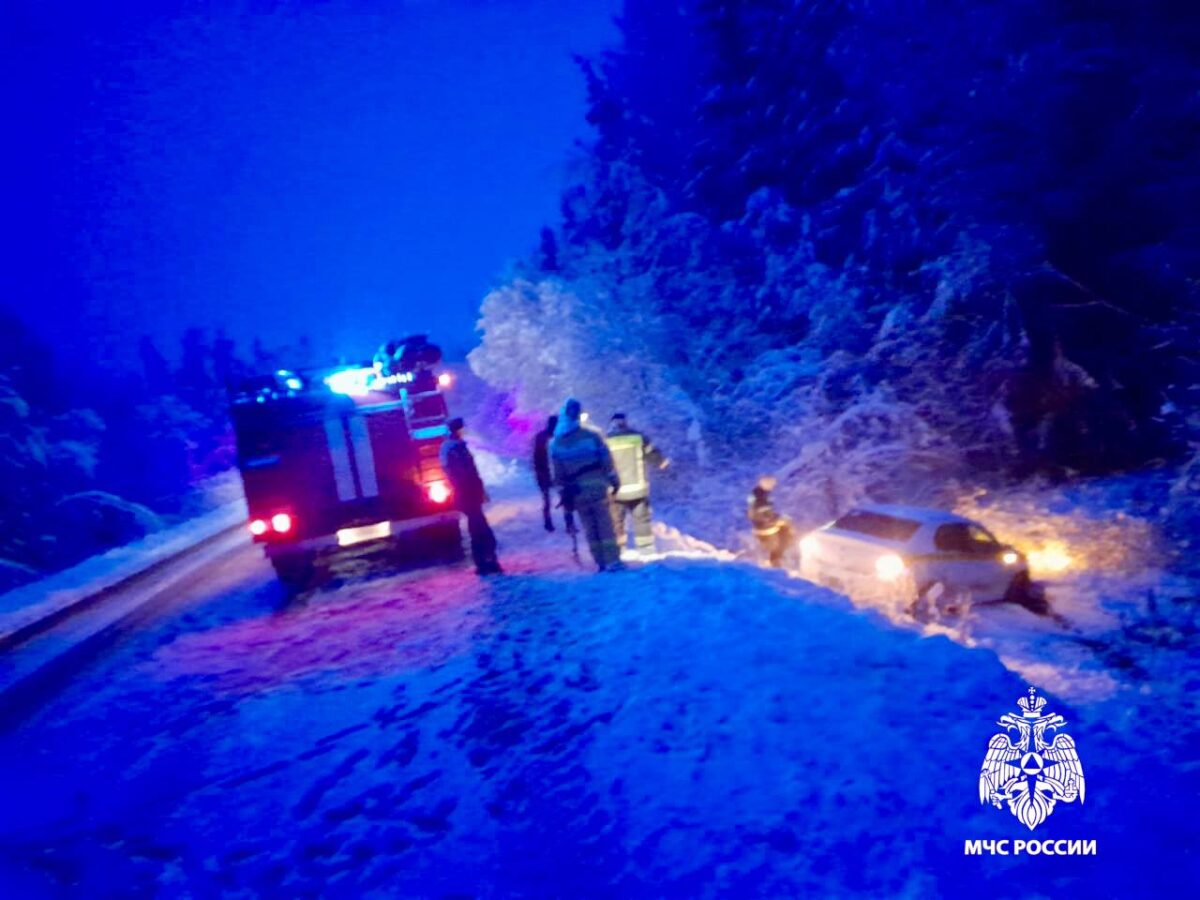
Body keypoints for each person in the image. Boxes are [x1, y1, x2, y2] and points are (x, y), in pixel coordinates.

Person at [550, 399, 624, 572]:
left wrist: (563, 493)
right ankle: (613, 560)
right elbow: (606, 461)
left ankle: (600, 561)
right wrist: (614, 481)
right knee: (604, 524)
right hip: (597, 487)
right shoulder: (592, 436)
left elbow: (558, 475)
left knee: (589, 526)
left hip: (576, 492)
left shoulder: (556, 443)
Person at [439, 417, 503, 576]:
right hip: (468, 495)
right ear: (457, 429)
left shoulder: (451, 448)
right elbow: (466, 474)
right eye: (461, 428)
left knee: (479, 529)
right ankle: (486, 563)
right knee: (481, 531)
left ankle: (485, 562)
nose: (464, 430)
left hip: (467, 495)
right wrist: (475, 490)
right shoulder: (455, 449)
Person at [606, 412, 669, 555]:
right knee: (642, 521)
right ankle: (647, 551)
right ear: (625, 422)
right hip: (638, 490)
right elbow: (654, 456)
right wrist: (664, 465)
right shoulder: (638, 437)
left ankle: (619, 551)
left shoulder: (605, 441)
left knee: (617, 523)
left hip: (616, 492)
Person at [747, 475, 795, 568]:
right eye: (771, 483)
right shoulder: (760, 496)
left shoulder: (756, 493)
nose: (773, 486)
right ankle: (777, 560)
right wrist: (776, 520)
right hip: (765, 527)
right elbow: (762, 511)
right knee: (787, 534)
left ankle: (776, 558)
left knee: (785, 528)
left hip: (761, 525)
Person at [533, 415, 559, 532]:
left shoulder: (541, 436)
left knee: (547, 499)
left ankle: (548, 523)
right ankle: (568, 523)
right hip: (549, 471)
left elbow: (536, 457)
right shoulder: (558, 437)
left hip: (544, 472)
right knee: (560, 496)